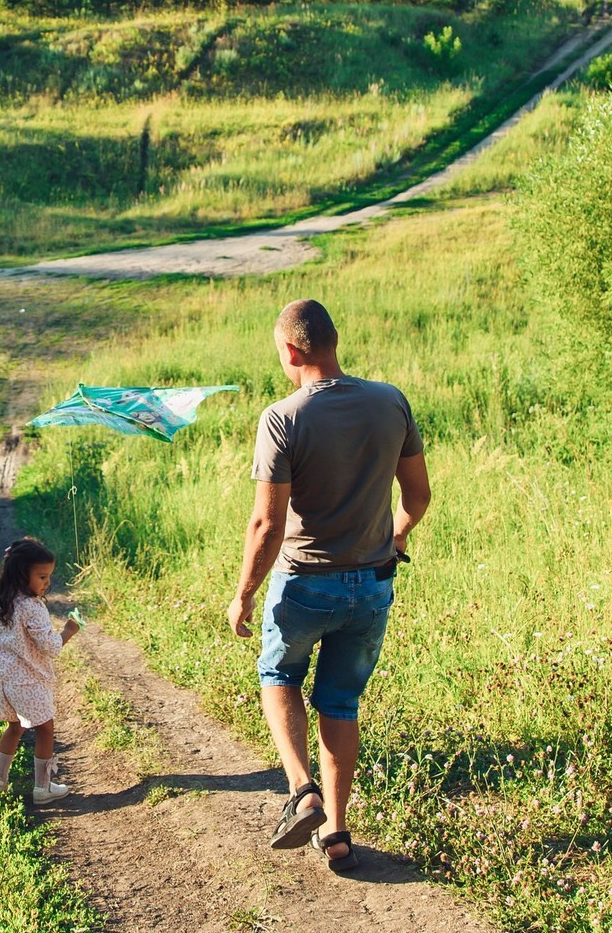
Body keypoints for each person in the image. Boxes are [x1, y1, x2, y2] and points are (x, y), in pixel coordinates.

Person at [227, 299, 431, 872]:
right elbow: (417, 497)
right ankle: (337, 833)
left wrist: (243, 593)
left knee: (277, 675)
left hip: (303, 586)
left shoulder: (282, 417)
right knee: (340, 703)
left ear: (291, 351)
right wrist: (395, 537)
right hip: (371, 587)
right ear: (334, 341)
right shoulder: (391, 402)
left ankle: (301, 790)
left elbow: (267, 523)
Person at [0, 538, 79, 804]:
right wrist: (68, 631)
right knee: (46, 729)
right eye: (42, 577)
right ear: (23, 575)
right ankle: (42, 788)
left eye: (49, 576)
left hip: (2, 680)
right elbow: (50, 647)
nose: (47, 583)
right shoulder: (31, 607)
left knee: (14, 727)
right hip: (27, 681)